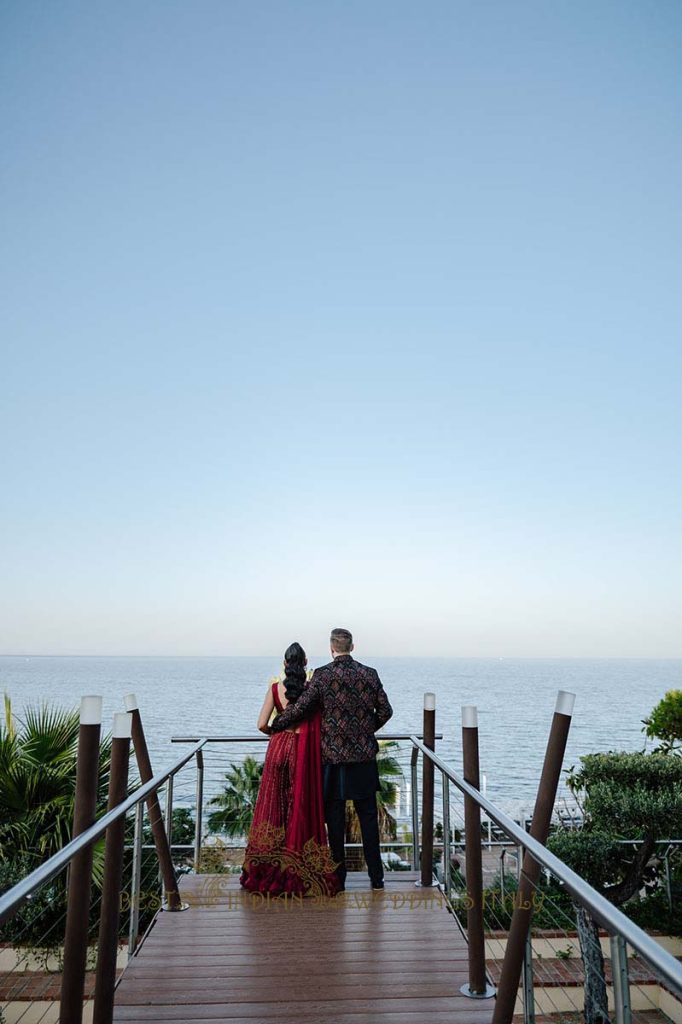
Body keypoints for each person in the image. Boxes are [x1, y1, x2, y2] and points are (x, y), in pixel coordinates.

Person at [269, 627, 393, 891]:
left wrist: (277, 723)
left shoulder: (323, 676)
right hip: (363, 760)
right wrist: (365, 729)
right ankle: (377, 878)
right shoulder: (369, 674)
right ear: (352, 646)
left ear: (331, 648)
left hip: (333, 761)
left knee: (334, 821)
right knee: (369, 819)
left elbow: (302, 707)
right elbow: (386, 710)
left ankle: (339, 879)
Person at [239, 641, 338, 897]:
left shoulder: (274, 689)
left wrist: (276, 733)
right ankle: (298, 869)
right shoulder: (312, 690)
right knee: (299, 807)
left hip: (278, 747)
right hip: (303, 751)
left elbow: (261, 723)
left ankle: (269, 865)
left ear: (284, 665)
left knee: (274, 807)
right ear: (306, 664)